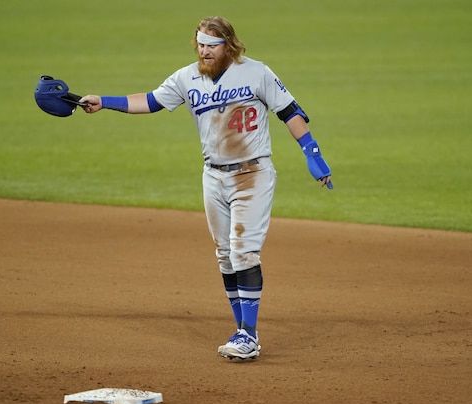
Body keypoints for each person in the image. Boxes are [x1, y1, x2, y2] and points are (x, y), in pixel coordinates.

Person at [80, 16, 332, 360]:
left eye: (211, 45)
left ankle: (249, 335)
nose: (204, 50)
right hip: (213, 176)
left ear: (228, 45)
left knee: (244, 251)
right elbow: (151, 100)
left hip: (253, 173)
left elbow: (289, 111)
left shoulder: (256, 72)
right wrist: (104, 101)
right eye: (200, 44)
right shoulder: (187, 78)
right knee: (225, 256)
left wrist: (311, 152)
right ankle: (242, 329)